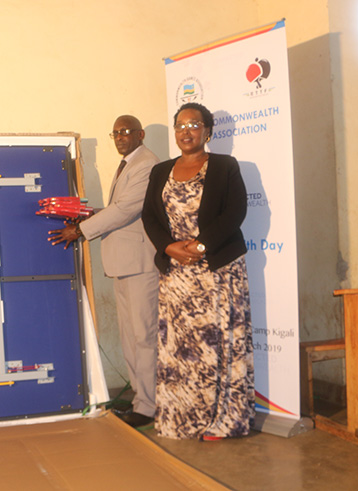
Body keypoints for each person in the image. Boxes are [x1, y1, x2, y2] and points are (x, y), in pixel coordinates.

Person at [141, 102, 254, 440]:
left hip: (217, 272)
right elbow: (150, 216)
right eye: (180, 125)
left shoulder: (224, 166)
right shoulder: (160, 170)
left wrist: (202, 245)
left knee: (217, 348)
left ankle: (223, 421)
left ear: (208, 130)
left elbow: (235, 211)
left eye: (194, 124)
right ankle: (181, 418)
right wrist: (169, 247)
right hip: (177, 276)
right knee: (180, 350)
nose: (186, 131)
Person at [49, 115, 159, 428]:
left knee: (145, 337)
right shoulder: (128, 163)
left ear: (140, 134)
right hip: (123, 263)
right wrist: (86, 214)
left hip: (140, 263)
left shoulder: (147, 164)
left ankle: (151, 405)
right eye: (115, 133)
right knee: (130, 338)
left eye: (126, 132)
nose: (120, 137)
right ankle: (142, 399)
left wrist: (81, 230)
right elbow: (118, 208)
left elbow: (126, 210)